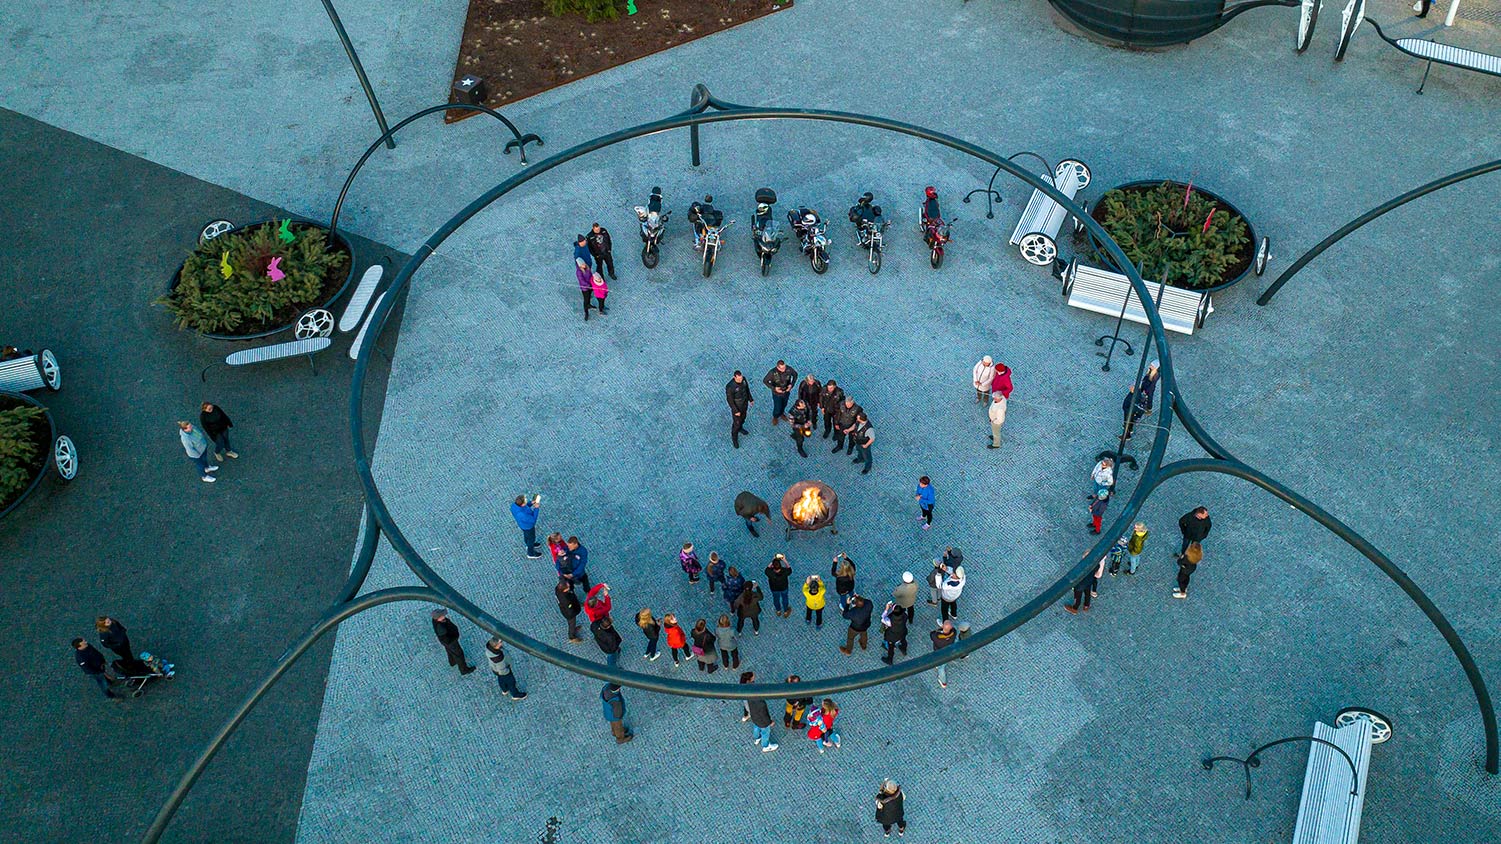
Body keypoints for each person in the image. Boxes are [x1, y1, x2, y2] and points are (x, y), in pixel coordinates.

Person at [741, 672, 779, 752]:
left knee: (756, 727)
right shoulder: (760, 703)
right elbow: (764, 714)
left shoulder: (748, 694)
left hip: (754, 716)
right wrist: (770, 722)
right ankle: (766, 746)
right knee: (765, 732)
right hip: (762, 720)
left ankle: (757, 738)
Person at [431, 609, 475, 674]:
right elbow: (446, 639)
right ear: (439, 618)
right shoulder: (440, 627)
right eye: (443, 615)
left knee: (449, 651)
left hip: (448, 643)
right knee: (459, 655)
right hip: (451, 642)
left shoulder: (437, 621)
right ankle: (464, 670)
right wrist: (454, 639)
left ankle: (452, 661)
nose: (444, 615)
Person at [762, 360, 798, 425]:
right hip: (777, 394)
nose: (784, 369)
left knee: (784, 404)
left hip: (786, 391)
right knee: (777, 406)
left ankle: (782, 413)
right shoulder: (772, 372)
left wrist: (791, 385)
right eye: (782, 368)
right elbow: (765, 381)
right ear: (778, 367)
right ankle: (775, 416)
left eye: (784, 367)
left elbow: (795, 375)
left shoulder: (789, 369)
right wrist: (774, 388)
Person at [725, 370, 754, 448]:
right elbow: (730, 400)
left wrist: (750, 399)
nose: (740, 380)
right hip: (737, 408)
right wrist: (735, 411)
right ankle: (734, 438)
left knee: (743, 418)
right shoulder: (730, 387)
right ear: (734, 377)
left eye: (741, 378)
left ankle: (741, 428)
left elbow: (747, 389)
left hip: (744, 405)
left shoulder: (743, 379)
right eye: (739, 379)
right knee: (736, 424)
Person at [510, 494, 543, 558]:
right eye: (525, 501)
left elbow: (525, 506)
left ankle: (528, 544)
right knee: (531, 538)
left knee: (527, 536)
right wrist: (536, 509)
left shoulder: (514, 506)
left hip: (523, 526)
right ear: (522, 504)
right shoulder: (522, 514)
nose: (526, 501)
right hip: (528, 527)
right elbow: (533, 520)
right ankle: (530, 553)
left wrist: (530, 503)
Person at [931, 618, 957, 688]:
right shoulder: (954, 632)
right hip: (948, 652)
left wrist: (940, 629)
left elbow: (932, 634)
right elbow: (952, 630)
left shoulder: (937, 636)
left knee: (941, 668)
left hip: (939, 653)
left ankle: (943, 682)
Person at [880, 600, 908, 665]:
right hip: (902, 631)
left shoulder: (890, 621)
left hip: (892, 636)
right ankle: (904, 649)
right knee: (903, 640)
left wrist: (887, 609)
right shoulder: (905, 615)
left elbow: (883, 618)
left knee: (891, 647)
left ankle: (890, 659)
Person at [575, 254, 595, 321]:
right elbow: (581, 281)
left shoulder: (587, 267)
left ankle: (589, 304)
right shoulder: (579, 272)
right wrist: (588, 285)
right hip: (585, 288)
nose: (584, 265)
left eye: (584, 264)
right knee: (586, 299)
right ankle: (586, 312)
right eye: (582, 265)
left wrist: (592, 281)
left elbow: (590, 275)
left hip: (590, 285)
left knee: (589, 296)